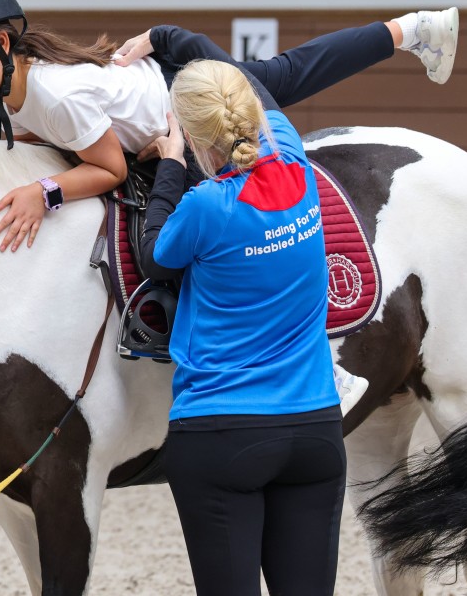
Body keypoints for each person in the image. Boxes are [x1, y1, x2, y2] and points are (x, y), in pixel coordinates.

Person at [0, 0, 458, 254]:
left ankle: (327, 352)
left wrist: (44, 194)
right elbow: (42, 149)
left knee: (232, 227)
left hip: (190, 108)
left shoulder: (54, 95)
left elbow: (110, 171)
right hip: (172, 88)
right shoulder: (13, 88)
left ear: (3, 44)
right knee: (287, 74)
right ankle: (411, 30)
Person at [139, 59, 346, 595]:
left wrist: (168, 163)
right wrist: (169, 39)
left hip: (220, 430)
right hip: (315, 428)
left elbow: (155, 255)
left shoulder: (206, 205)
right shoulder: (298, 165)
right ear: (255, 115)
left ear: (189, 134)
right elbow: (252, 85)